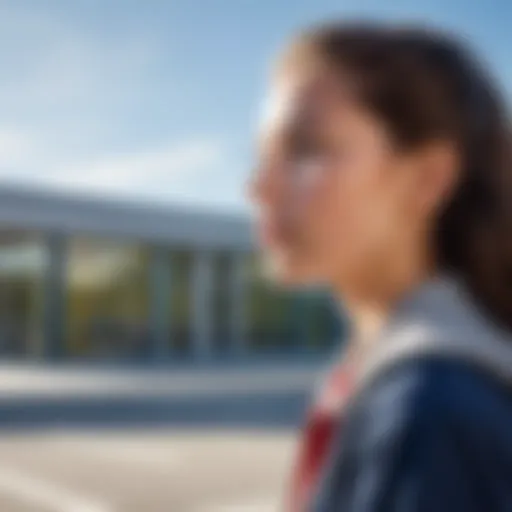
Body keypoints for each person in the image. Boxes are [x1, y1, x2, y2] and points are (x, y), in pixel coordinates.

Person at [249, 22, 512, 512]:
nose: (260, 188)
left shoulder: (432, 413)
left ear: (427, 179)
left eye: (306, 150)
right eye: (264, 156)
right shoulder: (383, 380)